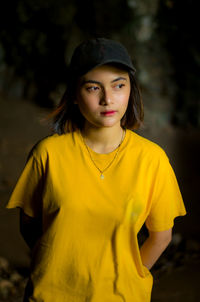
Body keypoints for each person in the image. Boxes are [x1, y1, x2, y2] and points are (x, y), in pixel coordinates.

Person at [6, 38, 186, 302]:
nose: (107, 99)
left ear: (130, 91)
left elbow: (161, 236)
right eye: (93, 88)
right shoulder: (48, 154)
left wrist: (130, 276)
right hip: (51, 296)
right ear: (75, 96)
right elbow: (29, 225)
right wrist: (58, 267)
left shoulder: (152, 159)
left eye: (118, 85)